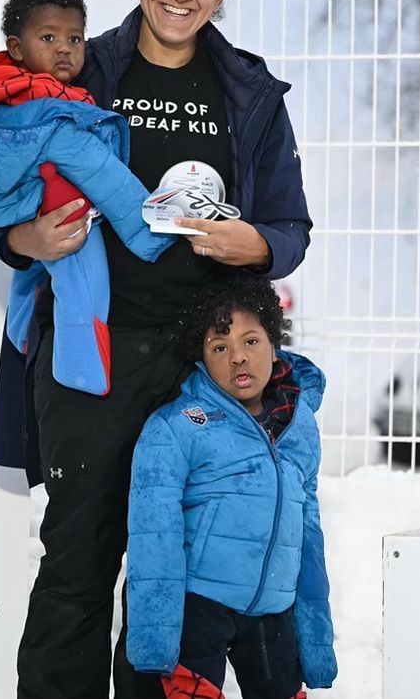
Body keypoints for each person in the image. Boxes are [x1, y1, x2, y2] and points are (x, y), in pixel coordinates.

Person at [0, 0, 313, 699]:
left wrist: (250, 244)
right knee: (80, 556)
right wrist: (25, 235)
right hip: (95, 350)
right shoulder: (78, 74)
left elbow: (290, 228)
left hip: (204, 368)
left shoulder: (250, 95)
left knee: (178, 570)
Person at [0, 0, 172, 396]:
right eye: (48, 38)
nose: (65, 48)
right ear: (17, 47)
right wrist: (150, 230)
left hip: (6, 202)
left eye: (75, 38)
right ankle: (81, 370)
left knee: (31, 272)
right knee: (84, 288)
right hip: (52, 212)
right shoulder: (54, 115)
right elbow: (106, 176)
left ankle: (20, 332)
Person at [126, 274, 337, 699]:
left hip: (273, 612)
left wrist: (315, 644)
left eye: (251, 341)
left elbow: (308, 533)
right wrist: (155, 641)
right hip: (199, 609)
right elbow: (154, 538)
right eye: (220, 347)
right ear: (201, 358)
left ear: (274, 343)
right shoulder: (177, 425)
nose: (238, 358)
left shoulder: (298, 426)